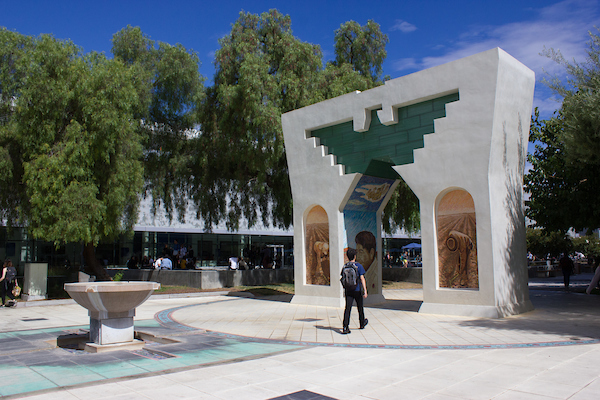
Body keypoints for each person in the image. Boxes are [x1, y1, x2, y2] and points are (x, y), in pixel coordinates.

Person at [341, 248, 368, 334]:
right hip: (357, 290)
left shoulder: (345, 266)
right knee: (360, 307)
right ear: (355, 256)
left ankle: (345, 326)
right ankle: (362, 323)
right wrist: (365, 290)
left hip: (348, 290)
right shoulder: (358, 266)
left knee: (348, 308)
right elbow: (362, 278)